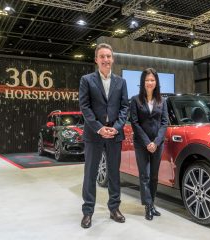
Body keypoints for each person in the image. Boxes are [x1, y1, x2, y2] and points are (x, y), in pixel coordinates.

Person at [79, 43, 129, 228]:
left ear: (113, 59)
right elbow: (85, 107)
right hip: (94, 134)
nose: (106, 59)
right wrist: (99, 128)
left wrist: (116, 127)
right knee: (90, 174)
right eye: (102, 56)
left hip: (115, 134)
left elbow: (125, 107)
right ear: (96, 60)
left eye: (108, 56)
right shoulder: (87, 80)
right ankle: (88, 211)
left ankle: (114, 208)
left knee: (114, 174)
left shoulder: (121, 82)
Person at [130, 68, 168, 220]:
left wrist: (156, 142)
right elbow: (135, 123)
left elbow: (165, 123)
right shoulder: (135, 100)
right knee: (144, 175)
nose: (150, 82)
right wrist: (147, 142)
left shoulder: (162, 101)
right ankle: (148, 206)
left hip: (157, 144)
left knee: (153, 176)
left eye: (152, 80)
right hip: (141, 143)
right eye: (147, 80)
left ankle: (152, 203)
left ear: (156, 82)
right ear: (143, 82)